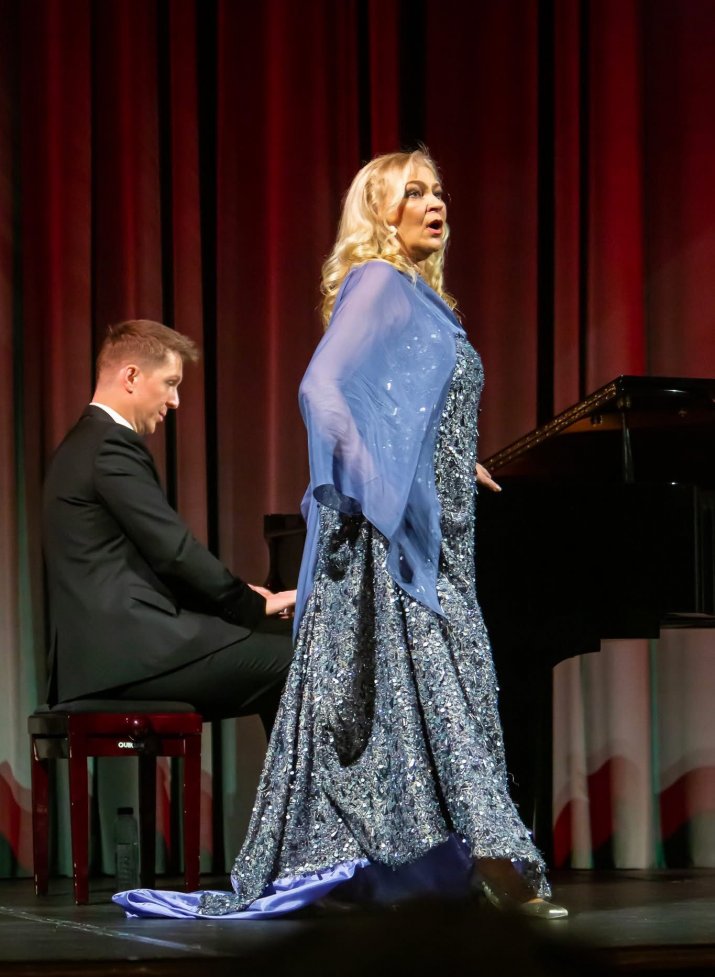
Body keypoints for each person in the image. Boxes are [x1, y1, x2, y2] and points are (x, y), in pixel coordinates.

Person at [114, 150, 568, 920]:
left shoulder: (422, 299)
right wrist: (385, 490)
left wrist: (450, 463)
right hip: (390, 542)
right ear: (380, 211)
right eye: (413, 192)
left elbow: (406, 411)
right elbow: (321, 390)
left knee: (443, 702)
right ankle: (496, 871)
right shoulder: (380, 281)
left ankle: (443, 871)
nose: (435, 203)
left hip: (436, 535)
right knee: (446, 703)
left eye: (438, 190)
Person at [42, 319, 296, 737]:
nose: (175, 401)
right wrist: (246, 604)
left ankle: (290, 782)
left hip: (107, 658)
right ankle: (306, 784)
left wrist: (243, 598)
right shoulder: (110, 445)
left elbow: (143, 566)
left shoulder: (83, 444)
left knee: (290, 650)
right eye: (170, 383)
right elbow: (174, 553)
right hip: (131, 656)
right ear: (131, 376)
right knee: (307, 661)